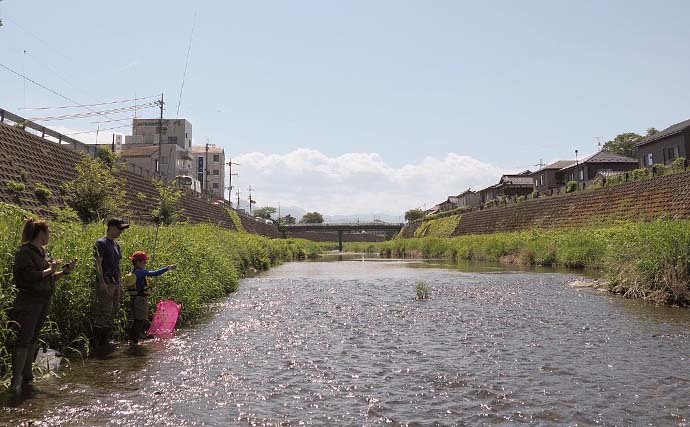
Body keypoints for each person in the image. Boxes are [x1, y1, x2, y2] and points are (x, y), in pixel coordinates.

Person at [10, 218, 77, 395]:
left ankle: (28, 375)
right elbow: (27, 276)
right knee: (24, 337)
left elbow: (49, 277)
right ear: (41, 233)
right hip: (29, 300)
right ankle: (16, 380)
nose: (50, 235)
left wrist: (65, 271)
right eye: (49, 232)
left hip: (44, 299)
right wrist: (50, 270)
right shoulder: (25, 252)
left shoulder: (44, 252)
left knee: (34, 337)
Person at [124, 250, 176, 355]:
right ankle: (134, 342)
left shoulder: (134, 271)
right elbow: (154, 273)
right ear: (138, 262)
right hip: (140, 300)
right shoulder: (140, 272)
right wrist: (168, 268)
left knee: (138, 320)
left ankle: (134, 340)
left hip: (136, 299)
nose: (145, 263)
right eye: (144, 261)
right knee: (139, 321)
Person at [92, 218, 129, 355]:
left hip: (116, 282)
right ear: (111, 227)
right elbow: (98, 263)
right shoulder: (101, 243)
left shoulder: (116, 245)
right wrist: (101, 282)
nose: (121, 232)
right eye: (119, 229)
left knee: (113, 311)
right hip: (107, 282)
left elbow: (118, 266)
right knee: (104, 311)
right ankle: (98, 343)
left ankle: (105, 342)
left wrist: (121, 284)